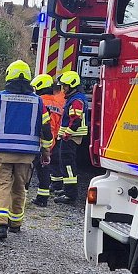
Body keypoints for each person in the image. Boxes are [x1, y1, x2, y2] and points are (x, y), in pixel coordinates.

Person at [0, 60, 53, 240]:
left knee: (1, 186)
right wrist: (46, 151)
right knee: (20, 188)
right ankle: (16, 224)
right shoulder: (38, 102)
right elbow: (46, 129)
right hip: (26, 156)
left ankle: (0, 225)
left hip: (1, 153)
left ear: (8, 76)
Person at [29, 73, 64, 206]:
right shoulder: (59, 103)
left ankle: (21, 196)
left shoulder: (38, 101)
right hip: (52, 142)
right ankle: (43, 198)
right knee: (44, 170)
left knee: (27, 169)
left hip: (36, 140)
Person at [54, 70, 88, 205]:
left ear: (72, 86)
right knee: (66, 163)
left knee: (68, 164)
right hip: (71, 137)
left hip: (71, 137)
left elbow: (76, 120)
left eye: (65, 86)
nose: (63, 89)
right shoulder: (75, 98)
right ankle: (67, 189)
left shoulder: (76, 101)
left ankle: (70, 194)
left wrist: (67, 134)